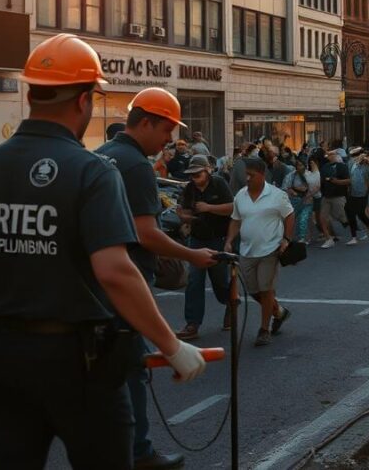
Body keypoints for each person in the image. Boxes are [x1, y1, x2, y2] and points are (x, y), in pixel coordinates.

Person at [0, 34, 206, 469]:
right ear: (84, 100)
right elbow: (115, 271)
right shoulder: (90, 171)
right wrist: (170, 344)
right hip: (77, 363)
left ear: (30, 92)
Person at [95, 87, 218, 469]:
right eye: (166, 130)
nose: (170, 140)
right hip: (125, 279)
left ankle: (117, 449)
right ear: (145, 122)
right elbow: (145, 233)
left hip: (94, 284)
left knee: (106, 371)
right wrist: (192, 255)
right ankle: (138, 453)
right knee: (131, 367)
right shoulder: (135, 166)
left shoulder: (100, 155)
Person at [226, 158, 294, 347]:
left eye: (251, 175)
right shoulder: (240, 195)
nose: (247, 178)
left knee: (266, 289)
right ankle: (279, 311)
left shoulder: (276, 195)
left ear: (262, 175)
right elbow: (236, 220)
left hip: (270, 250)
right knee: (253, 290)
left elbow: (289, 215)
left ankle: (264, 329)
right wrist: (229, 241)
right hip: (247, 251)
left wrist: (286, 239)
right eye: (245, 174)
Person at [174, 156, 235, 341]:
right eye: (192, 175)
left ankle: (230, 303)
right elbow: (184, 210)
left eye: (198, 174)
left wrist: (209, 207)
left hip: (217, 237)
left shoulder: (219, 183)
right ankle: (192, 323)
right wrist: (185, 218)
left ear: (207, 171)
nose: (194, 178)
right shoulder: (189, 189)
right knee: (194, 280)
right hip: (197, 239)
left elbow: (232, 208)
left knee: (219, 280)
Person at [319, 149, 351, 248]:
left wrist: (336, 181)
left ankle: (348, 222)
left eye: (332, 154)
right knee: (322, 217)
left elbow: (349, 181)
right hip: (326, 196)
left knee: (340, 216)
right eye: (329, 154)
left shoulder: (343, 167)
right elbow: (322, 180)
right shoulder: (324, 167)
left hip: (338, 195)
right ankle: (329, 238)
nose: (329, 156)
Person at [284, 158, 314, 245]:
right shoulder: (291, 175)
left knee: (304, 218)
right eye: (298, 165)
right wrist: (293, 191)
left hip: (307, 199)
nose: (299, 167)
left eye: (301, 165)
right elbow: (286, 187)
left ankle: (303, 237)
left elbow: (314, 187)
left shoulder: (309, 175)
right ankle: (292, 236)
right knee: (292, 219)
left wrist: (307, 194)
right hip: (294, 200)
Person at [347, 147, 369, 242]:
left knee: (360, 213)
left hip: (363, 193)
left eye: (355, 155)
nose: (353, 158)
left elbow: (368, 181)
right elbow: (350, 177)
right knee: (351, 214)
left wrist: (368, 193)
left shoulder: (366, 166)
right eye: (352, 156)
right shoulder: (351, 164)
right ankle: (353, 237)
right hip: (352, 193)